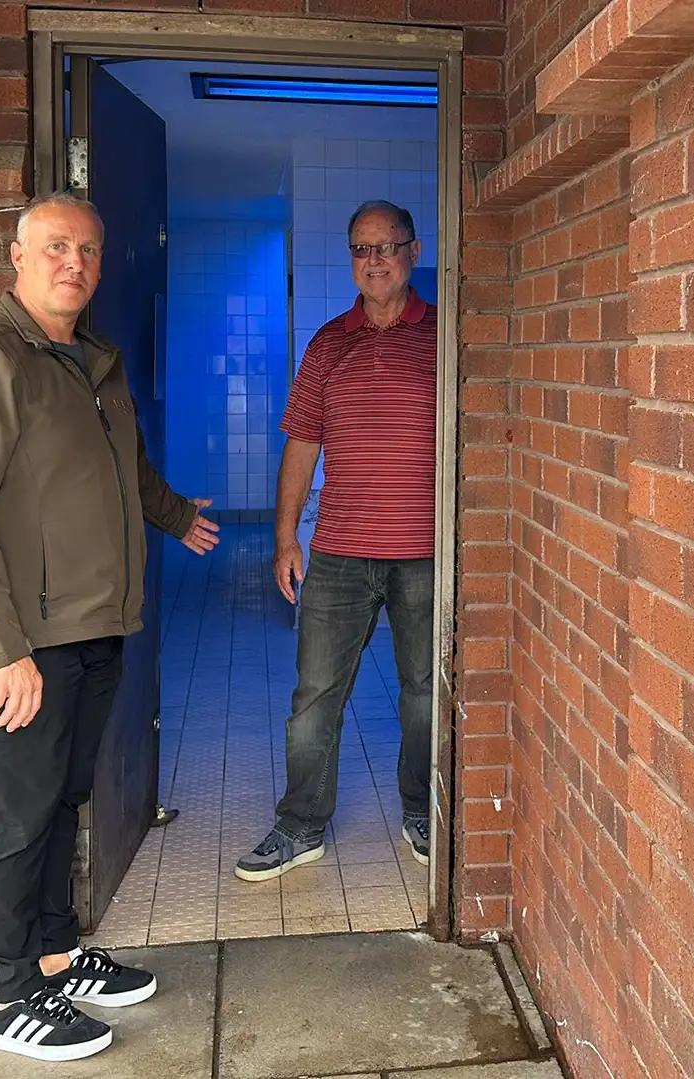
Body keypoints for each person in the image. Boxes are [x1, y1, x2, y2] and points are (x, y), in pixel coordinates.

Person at [0, 192, 220, 1062]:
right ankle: (7, 993)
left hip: (92, 627)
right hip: (18, 642)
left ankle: (52, 954)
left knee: (60, 802)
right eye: (55, 246)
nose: (73, 263)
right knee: (16, 814)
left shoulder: (91, 361)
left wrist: (170, 515)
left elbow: (122, 467)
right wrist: (2, 649)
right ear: (16, 255)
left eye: (87, 249)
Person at [235, 199, 437, 883]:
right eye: (361, 248)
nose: (374, 260)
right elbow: (301, 445)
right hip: (341, 553)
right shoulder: (327, 344)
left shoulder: (444, 336)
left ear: (413, 252)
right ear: (350, 258)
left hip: (426, 552)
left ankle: (423, 810)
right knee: (315, 696)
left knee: (424, 695)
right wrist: (285, 535)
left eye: (387, 246)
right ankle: (301, 826)